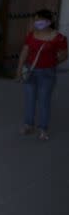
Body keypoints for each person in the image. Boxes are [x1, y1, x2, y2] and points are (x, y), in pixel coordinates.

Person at [16, 9, 68, 140]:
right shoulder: (31, 35)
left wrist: (53, 62)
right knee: (30, 99)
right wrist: (19, 69)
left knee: (44, 101)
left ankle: (43, 128)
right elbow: (25, 51)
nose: (37, 22)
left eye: (40, 19)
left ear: (49, 21)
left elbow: (65, 54)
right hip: (30, 71)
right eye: (36, 19)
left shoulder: (59, 37)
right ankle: (28, 124)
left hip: (47, 72)